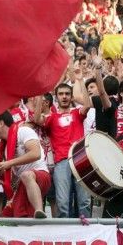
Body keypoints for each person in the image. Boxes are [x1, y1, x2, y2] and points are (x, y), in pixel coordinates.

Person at [33, 83, 91, 219]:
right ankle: (63, 231)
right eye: (61, 94)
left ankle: (87, 231)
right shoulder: (52, 117)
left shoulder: (77, 113)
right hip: (61, 161)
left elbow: (87, 105)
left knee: (85, 202)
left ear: (71, 97)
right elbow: (36, 119)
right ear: (56, 97)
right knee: (62, 202)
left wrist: (79, 80)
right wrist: (40, 95)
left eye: (67, 94)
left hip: (80, 159)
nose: (64, 96)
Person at [0, 110, 50, 218]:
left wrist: (9, 163)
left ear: (1, 123)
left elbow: (36, 154)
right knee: (6, 218)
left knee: (26, 175)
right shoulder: (3, 151)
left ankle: (39, 211)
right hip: (21, 186)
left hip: (40, 175)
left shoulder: (23, 131)